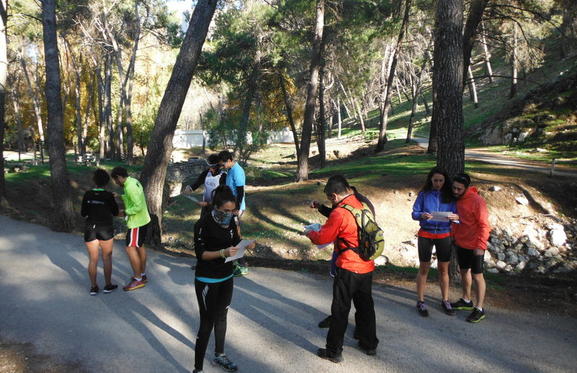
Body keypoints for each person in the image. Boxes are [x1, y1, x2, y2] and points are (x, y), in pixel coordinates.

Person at [305, 175, 379, 363]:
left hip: (348, 266)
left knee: (340, 309)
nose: (331, 201)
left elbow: (322, 238)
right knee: (365, 306)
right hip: (366, 264)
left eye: (330, 198)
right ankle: (369, 343)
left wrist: (309, 232)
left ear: (335, 196)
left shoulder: (340, 212)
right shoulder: (360, 204)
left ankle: (334, 351)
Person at [192, 186, 256, 373]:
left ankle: (220, 355)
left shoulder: (231, 222)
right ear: (215, 207)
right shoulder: (202, 224)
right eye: (225, 211)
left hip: (227, 276)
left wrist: (247, 244)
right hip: (207, 279)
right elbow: (200, 254)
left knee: (222, 316)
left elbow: (235, 242)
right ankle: (198, 369)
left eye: (233, 211)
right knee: (207, 323)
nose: (230, 214)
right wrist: (222, 252)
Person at [411, 167, 459, 317]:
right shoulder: (424, 194)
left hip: (444, 234)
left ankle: (445, 300)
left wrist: (455, 218)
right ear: (430, 180)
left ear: (445, 181)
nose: (438, 183)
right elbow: (414, 213)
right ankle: (420, 300)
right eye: (435, 180)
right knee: (424, 267)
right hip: (426, 233)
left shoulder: (450, 196)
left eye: (441, 180)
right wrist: (422, 215)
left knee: (443, 269)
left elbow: (459, 215)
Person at [450, 173, 491, 323]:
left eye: (459, 189)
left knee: (477, 275)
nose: (455, 191)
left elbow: (484, 225)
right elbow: (457, 220)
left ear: (466, 188)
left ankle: (479, 308)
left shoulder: (477, 201)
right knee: (463, 271)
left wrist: (481, 245)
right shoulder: (457, 200)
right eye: (454, 188)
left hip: (476, 245)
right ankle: (467, 300)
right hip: (461, 243)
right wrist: (454, 235)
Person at [111, 166, 151, 291]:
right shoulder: (134, 181)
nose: (116, 183)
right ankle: (142, 275)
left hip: (136, 223)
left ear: (119, 177)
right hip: (143, 220)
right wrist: (120, 196)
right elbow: (135, 199)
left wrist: (124, 212)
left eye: (116, 180)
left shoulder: (129, 187)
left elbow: (137, 207)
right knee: (139, 246)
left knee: (129, 248)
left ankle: (138, 279)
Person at [80, 169, 120, 295]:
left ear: (94, 181)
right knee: (107, 258)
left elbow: (83, 213)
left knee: (93, 259)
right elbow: (115, 212)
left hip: (90, 228)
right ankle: (108, 285)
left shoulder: (87, 194)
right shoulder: (109, 196)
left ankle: (93, 287)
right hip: (105, 229)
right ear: (107, 182)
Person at [218, 150, 248, 277]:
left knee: (235, 236)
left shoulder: (237, 171)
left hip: (236, 208)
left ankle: (242, 265)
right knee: (230, 235)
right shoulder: (229, 171)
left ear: (229, 160)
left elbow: (240, 191)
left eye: (223, 164)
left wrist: (236, 208)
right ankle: (234, 263)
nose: (222, 166)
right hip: (230, 208)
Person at [183, 154, 227, 219]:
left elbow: (222, 196)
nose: (209, 169)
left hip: (216, 208)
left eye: (211, 167)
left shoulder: (223, 176)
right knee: (202, 225)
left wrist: (208, 203)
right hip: (205, 207)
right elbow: (197, 183)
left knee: (213, 227)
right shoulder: (206, 173)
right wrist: (190, 188)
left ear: (217, 166)